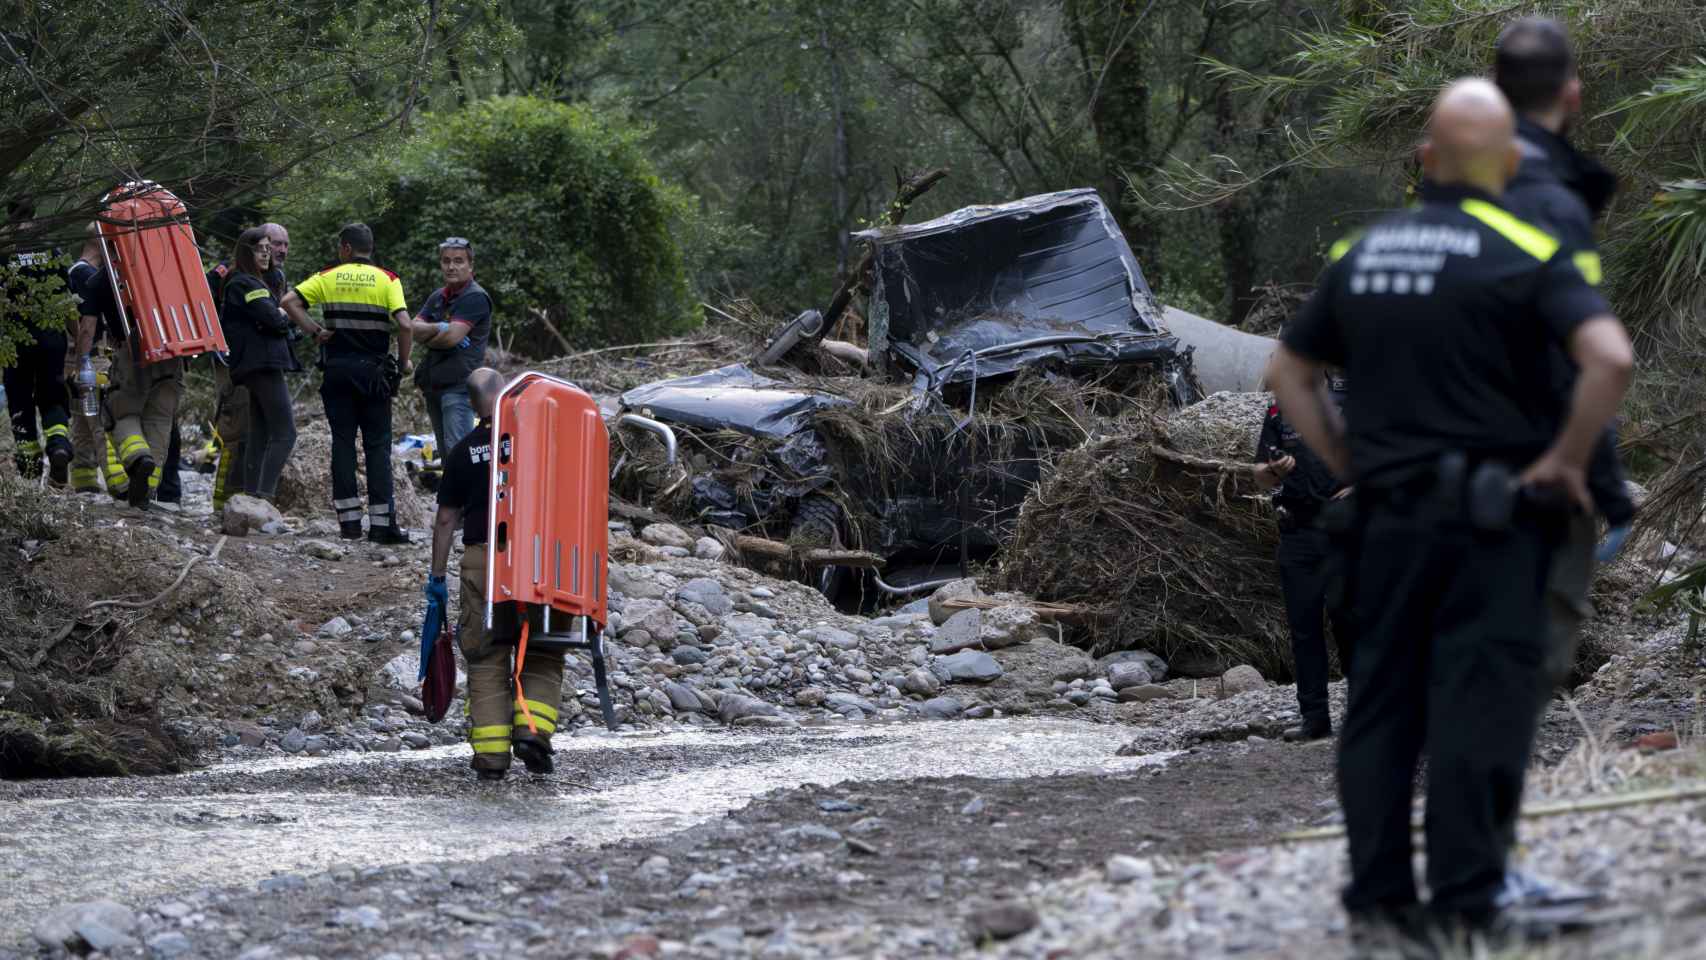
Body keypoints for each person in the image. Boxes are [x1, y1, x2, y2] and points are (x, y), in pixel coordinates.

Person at [1266, 79, 1633, 948]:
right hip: (1490, 520)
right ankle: (1471, 893)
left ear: (1424, 160)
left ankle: (1381, 896)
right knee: (1480, 701)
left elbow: (1287, 372)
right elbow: (1608, 358)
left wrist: (1350, 459)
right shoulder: (1522, 245)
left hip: (1385, 518)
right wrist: (1564, 460)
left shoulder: (1363, 251)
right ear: (1508, 164)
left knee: (1382, 702)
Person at [1493, 17, 1634, 692]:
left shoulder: (1448, 186)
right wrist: (1585, 461)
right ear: (1572, 93)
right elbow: (1593, 354)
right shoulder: (1551, 199)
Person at [428, 367, 564, 781]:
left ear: (472, 405)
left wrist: (437, 578)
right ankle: (532, 734)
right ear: (508, 394)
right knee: (542, 647)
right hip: (537, 558)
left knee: (486, 656)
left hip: (482, 559)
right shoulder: (540, 440)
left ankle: (491, 759)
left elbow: (446, 519)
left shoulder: (463, 450)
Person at [280, 223, 413, 542]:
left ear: (345, 248)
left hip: (337, 371)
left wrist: (315, 331)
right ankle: (382, 526)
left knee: (342, 443)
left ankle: (349, 524)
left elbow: (288, 302)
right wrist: (405, 362)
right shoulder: (388, 279)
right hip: (373, 375)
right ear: (370, 248)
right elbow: (405, 324)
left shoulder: (327, 277)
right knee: (377, 446)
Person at [1255, 370, 1354, 743]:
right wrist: (1272, 470)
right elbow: (1259, 474)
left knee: (1350, 625)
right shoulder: (1280, 411)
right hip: (1296, 532)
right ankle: (1314, 719)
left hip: (1345, 533)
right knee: (1304, 630)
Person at [207, 225, 289, 513]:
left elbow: (273, 317)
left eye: (271, 248)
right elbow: (274, 319)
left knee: (260, 433)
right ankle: (262, 498)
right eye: (261, 248)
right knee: (285, 433)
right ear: (246, 251)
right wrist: (281, 312)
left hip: (258, 363)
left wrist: (277, 313)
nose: (268, 254)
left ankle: (251, 496)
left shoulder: (259, 281)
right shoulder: (244, 283)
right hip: (261, 364)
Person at [2, 198, 73, 485]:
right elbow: (69, 303)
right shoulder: (52, 251)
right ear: (34, 212)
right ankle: (58, 446)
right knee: (53, 397)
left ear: (9, 216)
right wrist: (77, 347)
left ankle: (30, 468)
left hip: (16, 343)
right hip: (52, 340)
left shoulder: (4, 253)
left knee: (20, 402)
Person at [408, 236, 492, 455]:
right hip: (434, 384)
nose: (451, 266)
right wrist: (441, 327)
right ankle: (451, 491)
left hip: (458, 387)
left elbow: (451, 338)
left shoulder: (475, 297)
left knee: (459, 453)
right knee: (447, 454)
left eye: (458, 261)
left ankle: (467, 491)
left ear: (470, 265)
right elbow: (410, 328)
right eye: (446, 261)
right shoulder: (438, 297)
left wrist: (434, 333)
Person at [65, 226, 129, 497]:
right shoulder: (85, 274)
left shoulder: (73, 272)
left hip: (81, 358)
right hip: (93, 359)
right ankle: (120, 484)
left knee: (82, 420)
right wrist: (84, 363)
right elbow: (86, 324)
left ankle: (84, 479)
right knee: (102, 421)